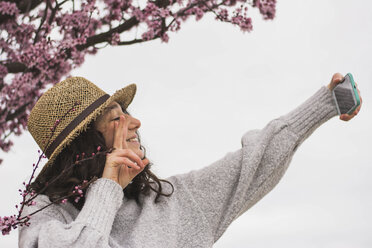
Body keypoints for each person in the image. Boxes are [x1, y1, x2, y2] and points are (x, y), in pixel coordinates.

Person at [19, 73, 362, 247]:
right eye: (116, 117)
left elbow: (253, 162)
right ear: (85, 144)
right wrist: (107, 188)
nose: (135, 123)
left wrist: (324, 105)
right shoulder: (44, 218)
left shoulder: (172, 201)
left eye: (129, 113)